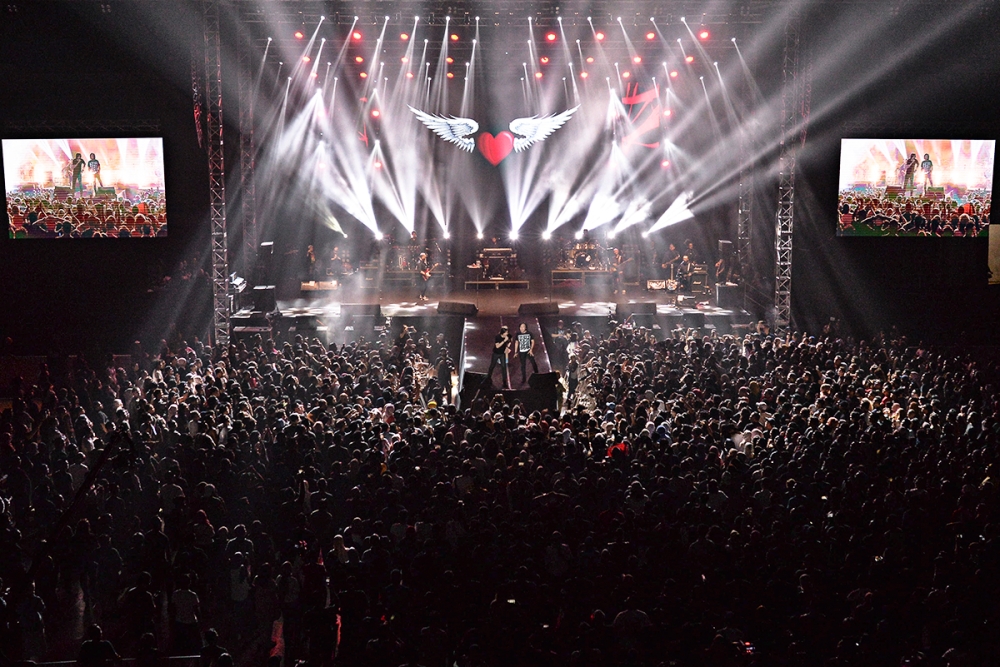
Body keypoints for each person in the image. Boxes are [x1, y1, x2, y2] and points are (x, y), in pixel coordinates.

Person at [486, 325, 512, 389]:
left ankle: (504, 382)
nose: (507, 333)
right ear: (503, 333)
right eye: (506, 332)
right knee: (492, 366)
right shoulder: (498, 337)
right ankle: (488, 378)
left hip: (502, 354)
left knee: (504, 367)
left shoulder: (507, 336)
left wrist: (507, 347)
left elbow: (510, 341)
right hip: (496, 353)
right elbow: (497, 346)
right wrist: (504, 341)